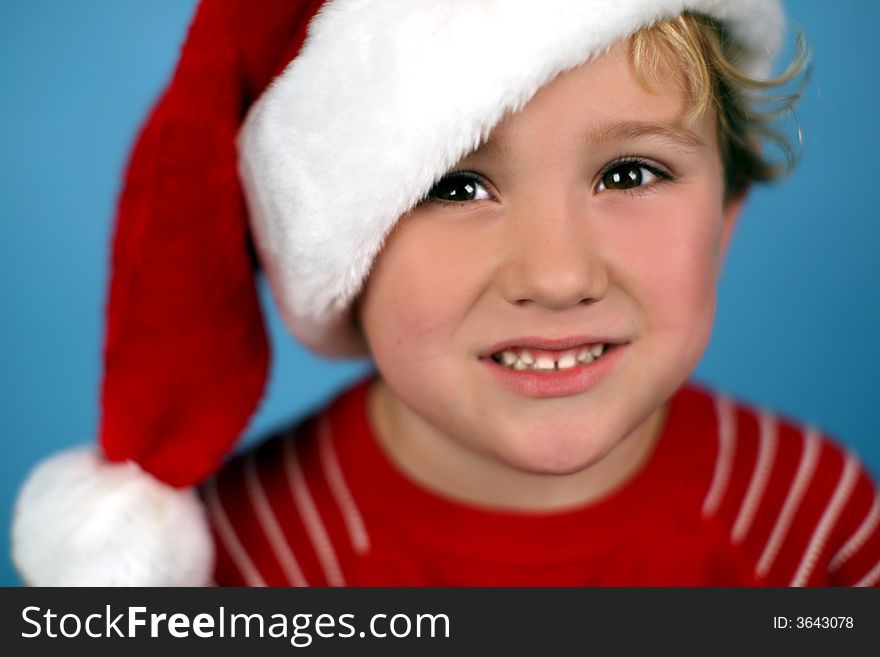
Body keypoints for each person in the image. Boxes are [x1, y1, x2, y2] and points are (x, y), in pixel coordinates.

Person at [11, 0, 880, 587]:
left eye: (630, 171)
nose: (557, 275)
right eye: (457, 187)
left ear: (726, 214)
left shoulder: (809, 520)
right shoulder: (250, 560)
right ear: (344, 254)